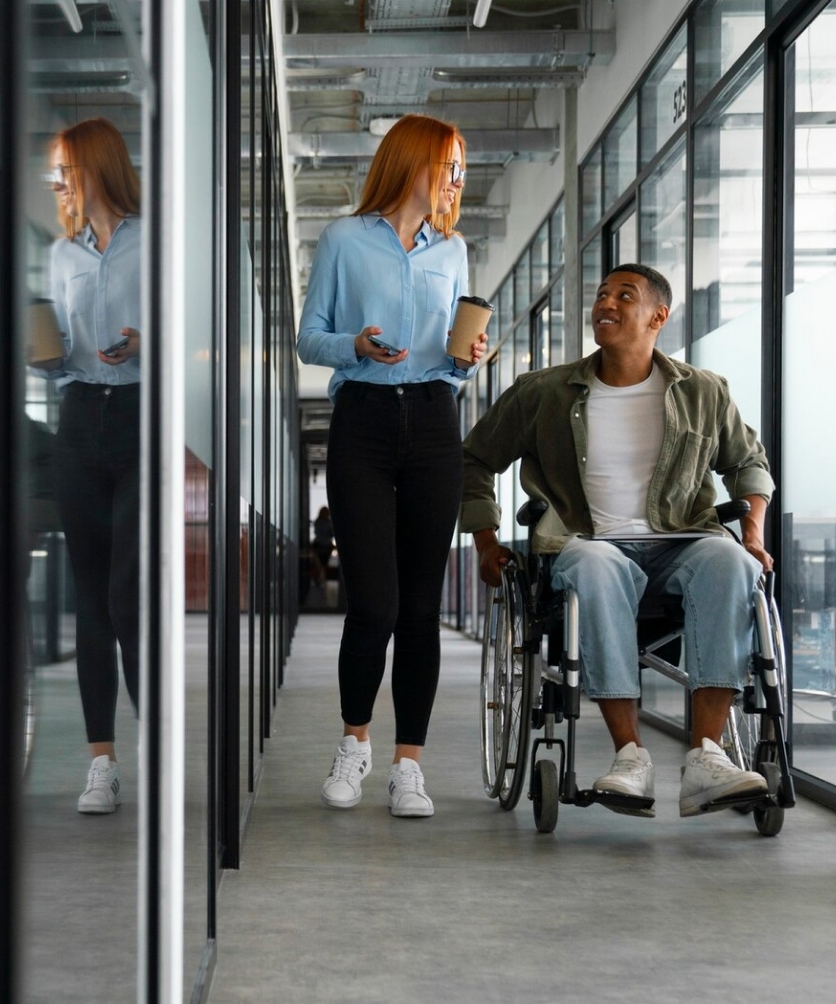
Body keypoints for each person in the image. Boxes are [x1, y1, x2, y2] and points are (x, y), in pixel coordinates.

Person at [461, 263, 773, 818]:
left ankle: (707, 755)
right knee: (594, 564)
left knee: (730, 562)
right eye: (601, 293)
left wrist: (751, 533)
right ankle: (630, 756)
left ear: (658, 315)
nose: (605, 302)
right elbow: (474, 459)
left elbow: (748, 463)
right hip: (588, 542)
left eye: (623, 295)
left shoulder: (703, 392)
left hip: (684, 541)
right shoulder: (544, 393)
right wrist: (486, 542)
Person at [296, 114, 488, 818]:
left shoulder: (454, 250)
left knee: (420, 609)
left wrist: (468, 361)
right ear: (414, 161)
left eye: (462, 167)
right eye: (451, 163)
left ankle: (410, 765)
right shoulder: (346, 239)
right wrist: (357, 345)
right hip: (364, 428)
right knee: (373, 603)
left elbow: (453, 349)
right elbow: (308, 340)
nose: (457, 178)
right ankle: (355, 744)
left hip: (436, 422)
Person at [39, 117, 143, 814]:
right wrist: (45, 353)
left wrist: (149, 340)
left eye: (64, 167)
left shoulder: (155, 243)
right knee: (90, 596)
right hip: (77, 422)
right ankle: (100, 762)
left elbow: (191, 337)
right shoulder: (61, 255)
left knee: (128, 593)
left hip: (140, 418)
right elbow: (59, 346)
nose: (58, 181)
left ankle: (155, 744)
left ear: (94, 166)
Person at [311, 506, 334, 587]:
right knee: (322, 564)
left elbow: (316, 532)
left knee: (321, 564)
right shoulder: (328, 522)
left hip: (322, 545)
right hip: (324, 545)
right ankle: (320, 579)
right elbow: (331, 534)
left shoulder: (319, 522)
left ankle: (320, 579)